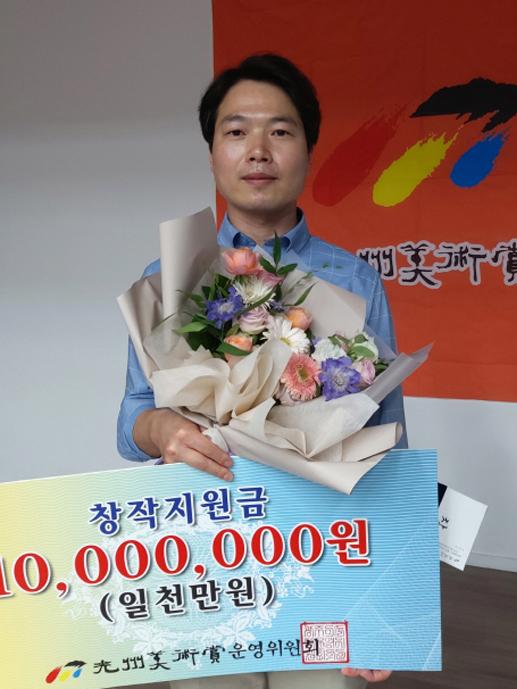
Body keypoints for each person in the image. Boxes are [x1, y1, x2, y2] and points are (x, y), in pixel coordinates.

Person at [118, 53, 405, 688]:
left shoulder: (354, 280)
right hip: (207, 552)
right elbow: (131, 418)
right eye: (236, 130)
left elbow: (388, 439)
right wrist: (163, 430)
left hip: (319, 551)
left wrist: (385, 597)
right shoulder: (167, 279)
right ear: (212, 153)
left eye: (280, 130)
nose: (258, 150)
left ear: (308, 150)